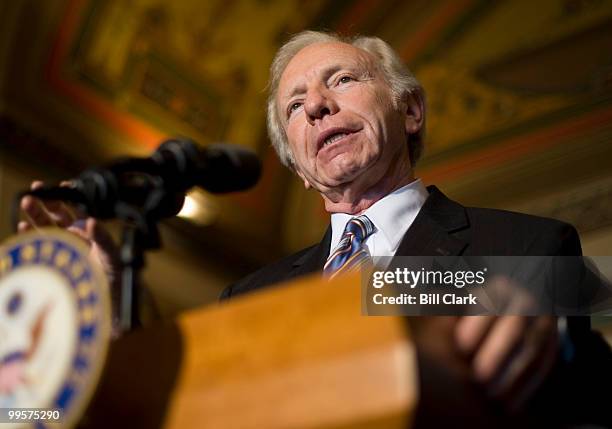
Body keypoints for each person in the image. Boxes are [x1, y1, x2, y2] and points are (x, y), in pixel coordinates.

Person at [19, 31, 611, 425]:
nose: (318, 106)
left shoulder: (530, 246)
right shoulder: (247, 297)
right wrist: (102, 300)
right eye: (294, 107)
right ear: (298, 167)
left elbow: (590, 399)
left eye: (343, 80)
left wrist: (544, 340)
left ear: (409, 111)